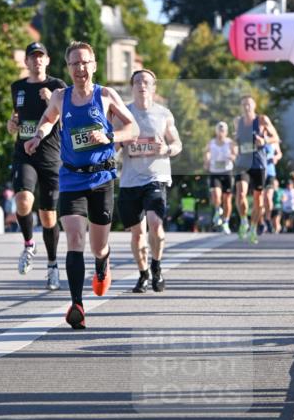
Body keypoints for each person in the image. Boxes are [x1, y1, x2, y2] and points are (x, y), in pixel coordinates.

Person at [25, 41, 139, 329]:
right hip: (71, 178)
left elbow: (133, 128)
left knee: (98, 246)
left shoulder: (106, 95)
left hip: (101, 178)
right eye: (74, 63)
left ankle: (102, 262)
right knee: (75, 238)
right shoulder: (60, 97)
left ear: (94, 65)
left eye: (85, 62)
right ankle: (77, 304)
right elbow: (48, 120)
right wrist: (38, 136)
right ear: (68, 68)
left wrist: (109, 136)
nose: (80, 68)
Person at [118, 69, 182, 294]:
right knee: (137, 234)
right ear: (132, 87)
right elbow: (112, 145)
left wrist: (167, 149)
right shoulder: (123, 113)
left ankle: (157, 266)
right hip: (130, 180)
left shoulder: (164, 114)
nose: (142, 85)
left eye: (146, 82)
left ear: (154, 87)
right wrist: (120, 144)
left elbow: (177, 143)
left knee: (155, 223)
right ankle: (143, 273)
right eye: (137, 82)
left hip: (156, 177)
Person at [7, 41, 66, 290]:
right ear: (26, 62)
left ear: (47, 60)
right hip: (25, 154)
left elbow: (67, 118)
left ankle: (52, 265)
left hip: (51, 156)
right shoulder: (17, 87)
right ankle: (29, 244)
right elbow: (16, 119)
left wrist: (53, 102)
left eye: (41, 56)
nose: (37, 60)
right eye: (33, 56)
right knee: (23, 200)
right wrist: (11, 125)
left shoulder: (58, 86)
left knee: (48, 216)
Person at [233, 95, 280, 245]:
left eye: (248, 104)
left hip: (259, 164)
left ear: (254, 105)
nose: (246, 107)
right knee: (241, 193)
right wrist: (235, 147)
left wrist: (264, 141)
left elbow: (276, 138)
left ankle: (253, 228)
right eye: (243, 105)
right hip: (243, 163)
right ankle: (243, 221)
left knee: (258, 199)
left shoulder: (262, 120)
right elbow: (237, 141)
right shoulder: (238, 121)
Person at [204, 121, 236, 233]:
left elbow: (235, 154)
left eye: (223, 130)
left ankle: (226, 222)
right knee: (216, 196)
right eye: (219, 130)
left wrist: (231, 156)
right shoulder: (211, 142)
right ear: (216, 131)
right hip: (215, 172)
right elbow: (207, 153)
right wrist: (207, 160)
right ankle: (218, 210)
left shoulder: (230, 142)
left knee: (227, 200)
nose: (221, 132)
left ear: (226, 132)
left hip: (227, 172)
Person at [262, 139, 282, 233]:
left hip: (270, 173)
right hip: (259, 172)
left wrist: (276, 157)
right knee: (260, 199)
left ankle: (268, 219)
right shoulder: (256, 136)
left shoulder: (273, 140)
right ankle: (260, 221)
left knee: (268, 197)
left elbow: (279, 153)